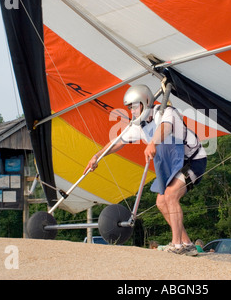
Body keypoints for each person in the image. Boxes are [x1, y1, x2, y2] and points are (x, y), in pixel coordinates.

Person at [85, 84, 207, 256]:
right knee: (161, 202)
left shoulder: (166, 113)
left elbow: (164, 128)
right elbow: (118, 142)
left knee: (171, 195)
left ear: (145, 102)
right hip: (174, 164)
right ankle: (186, 242)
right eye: (130, 108)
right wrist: (97, 156)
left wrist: (152, 143)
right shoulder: (140, 126)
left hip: (193, 160)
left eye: (135, 106)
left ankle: (177, 245)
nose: (132, 111)